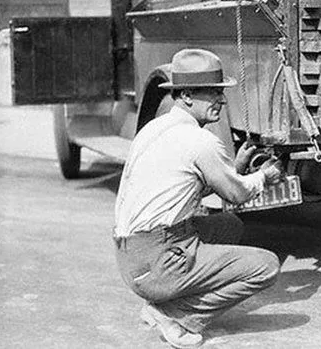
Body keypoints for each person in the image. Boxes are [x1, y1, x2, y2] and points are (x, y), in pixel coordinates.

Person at [113, 48, 285, 348]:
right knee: (266, 266)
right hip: (158, 260)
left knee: (228, 226)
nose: (221, 99)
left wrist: (236, 168)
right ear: (188, 95)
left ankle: (170, 295)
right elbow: (236, 194)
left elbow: (188, 184)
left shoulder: (155, 128)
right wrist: (264, 177)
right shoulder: (200, 141)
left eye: (221, 92)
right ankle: (176, 315)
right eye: (213, 93)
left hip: (130, 256)